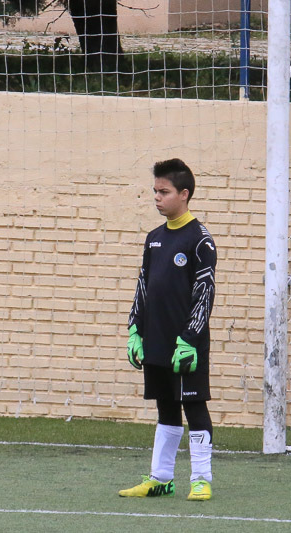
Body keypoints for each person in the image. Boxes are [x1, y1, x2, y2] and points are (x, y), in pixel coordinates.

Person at [119, 158, 217, 502]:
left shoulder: (200, 240)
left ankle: (201, 479)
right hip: (157, 341)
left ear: (184, 194)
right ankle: (161, 478)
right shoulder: (154, 238)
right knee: (166, 407)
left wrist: (189, 339)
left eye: (164, 192)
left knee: (194, 407)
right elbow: (143, 287)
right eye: (155, 191)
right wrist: (135, 330)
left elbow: (204, 294)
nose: (157, 198)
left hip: (186, 344)